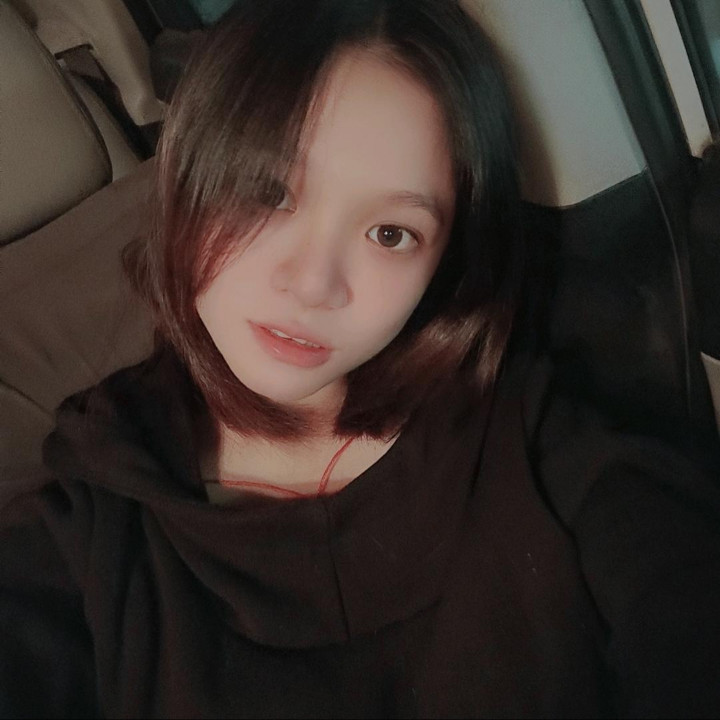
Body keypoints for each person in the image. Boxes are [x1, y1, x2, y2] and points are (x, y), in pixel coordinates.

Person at [2, 0, 720, 716]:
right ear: (189, 176)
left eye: (390, 233)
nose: (313, 284)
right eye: (267, 192)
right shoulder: (88, 521)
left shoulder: (541, 445)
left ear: (445, 260)